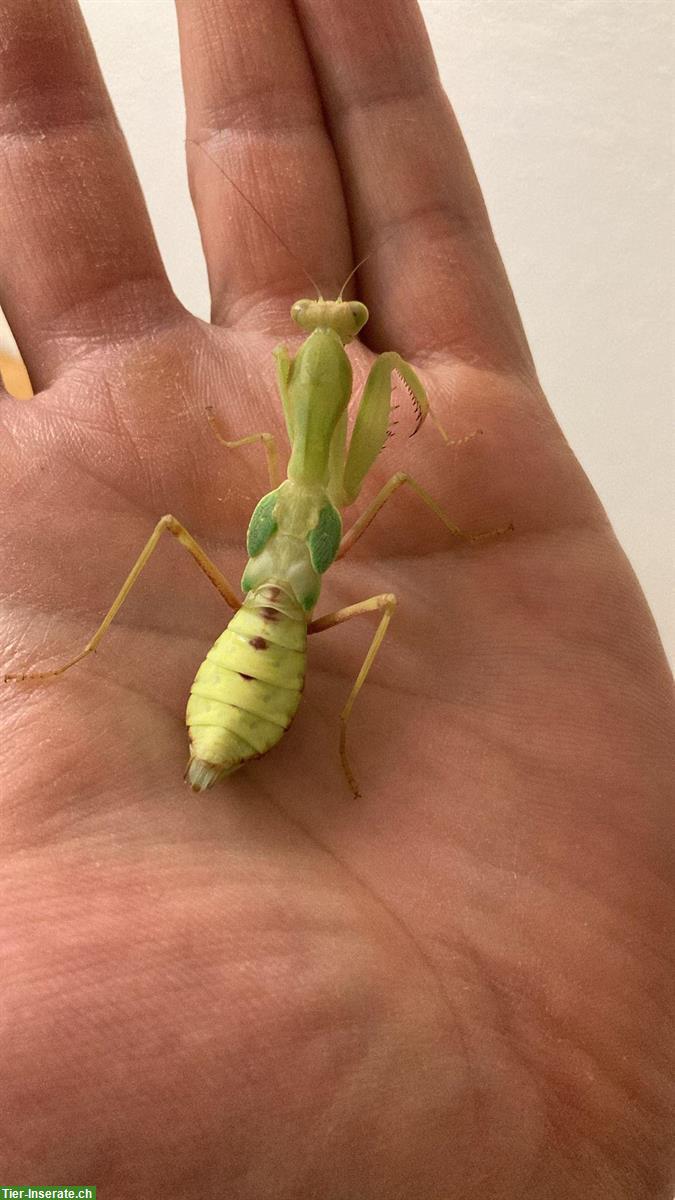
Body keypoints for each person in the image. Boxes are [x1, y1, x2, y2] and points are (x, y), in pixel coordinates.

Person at [1, 1, 672, 1196]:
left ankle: (283, 721)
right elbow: (317, 475)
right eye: (335, 333)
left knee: (191, 536)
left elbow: (287, 481)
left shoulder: (287, 480)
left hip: (249, 648)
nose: (332, 335)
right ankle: (306, 726)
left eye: (341, 326)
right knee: (328, 582)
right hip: (262, 660)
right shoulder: (329, 474)